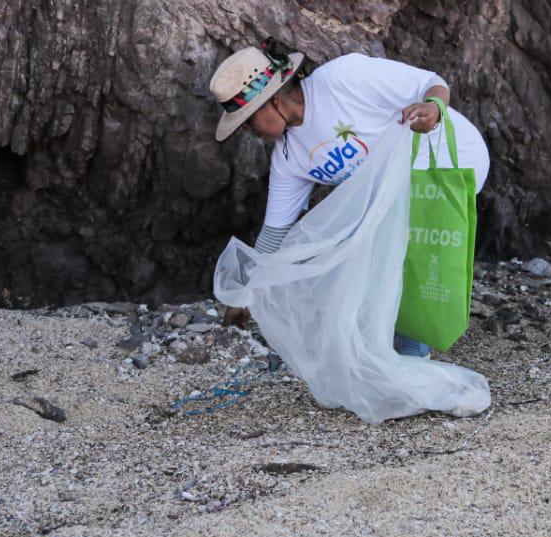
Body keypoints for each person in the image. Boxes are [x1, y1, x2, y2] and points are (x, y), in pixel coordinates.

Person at [209, 41, 490, 357]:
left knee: (381, 237)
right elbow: (274, 233)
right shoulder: (289, 158)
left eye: (247, 120)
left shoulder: (343, 79)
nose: (248, 132)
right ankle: (394, 332)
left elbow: (431, 82)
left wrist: (434, 109)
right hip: (397, 189)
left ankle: (413, 343)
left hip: (451, 160)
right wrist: (244, 294)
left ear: (272, 100)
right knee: (359, 235)